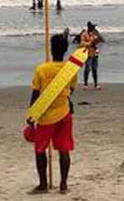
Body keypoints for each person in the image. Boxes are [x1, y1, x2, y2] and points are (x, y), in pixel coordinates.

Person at [29, 34, 76, 193]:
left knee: (40, 149)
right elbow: (71, 90)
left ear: (51, 48)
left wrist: (32, 114)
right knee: (64, 149)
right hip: (64, 112)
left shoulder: (42, 69)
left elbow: (35, 93)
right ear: (65, 50)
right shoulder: (70, 69)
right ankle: (63, 185)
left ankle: (43, 184)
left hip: (45, 115)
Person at [80, 22, 104, 89]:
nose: (93, 29)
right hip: (88, 53)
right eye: (92, 27)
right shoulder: (84, 34)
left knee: (95, 69)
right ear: (89, 27)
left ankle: (96, 84)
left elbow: (100, 41)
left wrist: (97, 39)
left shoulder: (95, 33)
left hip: (95, 53)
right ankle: (85, 84)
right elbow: (82, 43)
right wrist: (90, 43)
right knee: (87, 69)